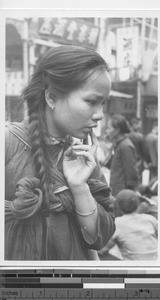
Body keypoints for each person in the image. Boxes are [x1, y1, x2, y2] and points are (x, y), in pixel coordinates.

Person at [5, 45, 116, 261]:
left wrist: (79, 187)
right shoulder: (8, 144)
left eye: (103, 104)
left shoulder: (83, 158)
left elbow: (99, 239)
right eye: (91, 101)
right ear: (51, 97)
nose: (100, 115)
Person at [99, 189, 158, 261]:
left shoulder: (117, 224)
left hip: (133, 267)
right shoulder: (150, 219)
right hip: (155, 263)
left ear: (118, 207)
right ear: (138, 204)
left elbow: (102, 250)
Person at [106, 114, 139, 215]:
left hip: (122, 196)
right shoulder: (119, 145)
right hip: (117, 193)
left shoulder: (125, 146)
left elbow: (132, 174)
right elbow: (110, 165)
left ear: (117, 130)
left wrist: (127, 198)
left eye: (109, 128)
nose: (107, 131)